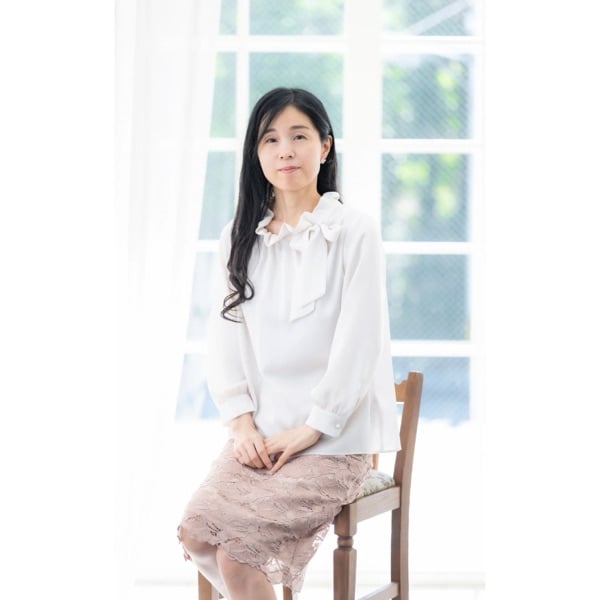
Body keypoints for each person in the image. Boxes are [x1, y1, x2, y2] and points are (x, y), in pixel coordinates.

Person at [177, 87, 399, 599]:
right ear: (256, 154)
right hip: (262, 436)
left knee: (237, 555)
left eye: (299, 136)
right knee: (195, 533)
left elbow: (360, 343)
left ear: (325, 146)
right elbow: (224, 340)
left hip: (336, 442)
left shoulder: (354, 232)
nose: (285, 151)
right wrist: (241, 424)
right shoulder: (239, 237)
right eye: (270, 139)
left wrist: (314, 426)